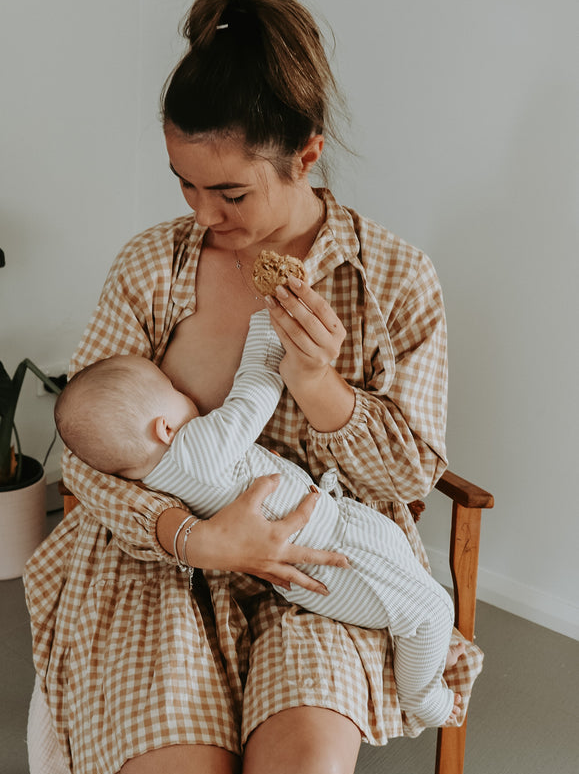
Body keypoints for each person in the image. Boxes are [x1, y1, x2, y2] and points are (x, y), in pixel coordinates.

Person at [24, 0, 483, 774]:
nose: (203, 212)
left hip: (324, 562)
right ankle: (112, 703)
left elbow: (411, 478)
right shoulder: (155, 265)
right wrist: (196, 537)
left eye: (228, 190)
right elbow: (89, 460)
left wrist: (322, 392)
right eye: (183, 183)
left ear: (306, 156)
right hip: (164, 560)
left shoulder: (393, 276)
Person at [53, 309, 465, 730]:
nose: (185, 392)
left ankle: (423, 652)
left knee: (406, 583)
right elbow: (254, 395)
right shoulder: (195, 449)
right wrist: (267, 328)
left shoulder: (154, 478)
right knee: (429, 609)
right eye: (173, 389)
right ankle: (422, 695)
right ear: (164, 428)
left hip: (326, 539)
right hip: (330, 553)